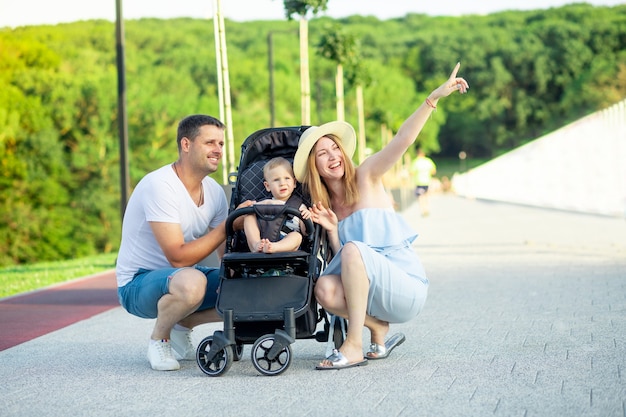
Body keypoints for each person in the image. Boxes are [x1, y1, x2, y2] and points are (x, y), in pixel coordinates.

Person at [293, 63, 469, 369]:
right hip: (371, 295)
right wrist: (333, 231)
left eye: (334, 149)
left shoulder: (367, 175)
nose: (332, 156)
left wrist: (433, 99)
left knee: (353, 249)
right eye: (322, 154)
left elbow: (403, 139)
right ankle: (377, 328)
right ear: (314, 166)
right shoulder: (327, 206)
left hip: (404, 287)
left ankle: (354, 344)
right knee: (323, 288)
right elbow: (348, 265)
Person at [115, 114, 251, 371]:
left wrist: (236, 280)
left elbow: (226, 257)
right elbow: (177, 257)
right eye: (210, 142)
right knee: (192, 283)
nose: (218, 150)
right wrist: (227, 225)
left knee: (243, 285)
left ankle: (182, 326)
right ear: (186, 145)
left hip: (182, 277)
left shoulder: (213, 192)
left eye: (221, 144)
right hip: (137, 284)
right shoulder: (160, 185)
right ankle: (160, 339)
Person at [243, 157, 311, 253]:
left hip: (287, 245)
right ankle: (255, 245)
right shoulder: (264, 203)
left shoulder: (299, 206)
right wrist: (252, 207)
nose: (282, 183)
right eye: (276, 180)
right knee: (248, 216)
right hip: (263, 240)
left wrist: (307, 217)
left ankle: (275, 247)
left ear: (294, 182)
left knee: (297, 236)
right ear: (268, 186)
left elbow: (306, 232)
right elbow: (250, 212)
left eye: (287, 178)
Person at [412, 148, 437, 216]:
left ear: (417, 154)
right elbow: (433, 171)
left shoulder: (416, 162)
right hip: (427, 181)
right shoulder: (428, 161)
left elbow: (412, 172)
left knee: (420, 196)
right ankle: (426, 209)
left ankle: (422, 210)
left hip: (419, 182)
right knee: (426, 196)